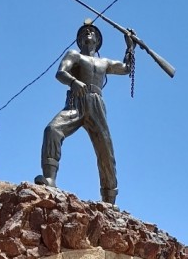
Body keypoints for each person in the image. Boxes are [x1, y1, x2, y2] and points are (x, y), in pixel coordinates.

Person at [35, 20, 135, 205]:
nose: (88, 32)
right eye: (84, 32)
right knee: (52, 130)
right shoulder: (74, 55)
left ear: (97, 40)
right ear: (80, 41)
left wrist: (130, 47)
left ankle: (109, 198)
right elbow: (60, 73)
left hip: (96, 104)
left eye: (92, 31)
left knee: (106, 151)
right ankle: (50, 179)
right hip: (77, 100)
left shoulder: (104, 62)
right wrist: (73, 82)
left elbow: (127, 68)